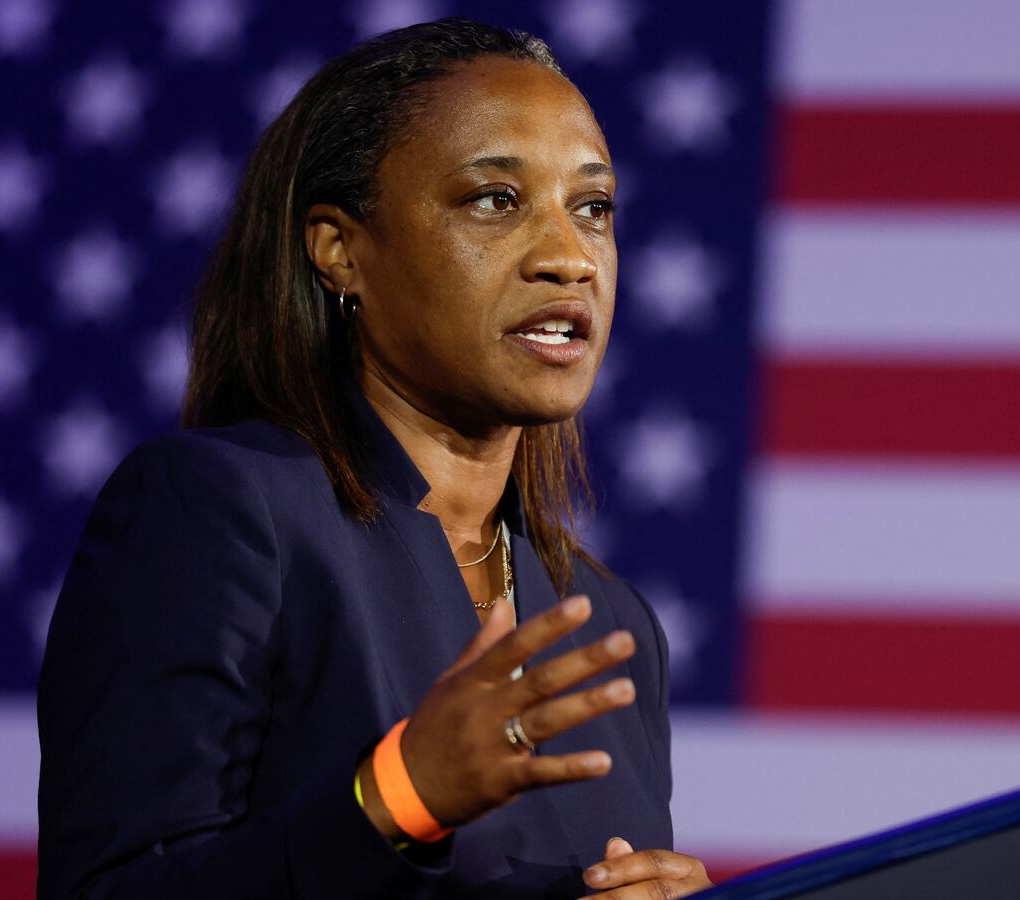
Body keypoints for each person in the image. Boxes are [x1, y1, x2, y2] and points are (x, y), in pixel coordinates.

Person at [37, 17, 713, 899]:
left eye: (593, 208)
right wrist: (398, 796)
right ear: (340, 250)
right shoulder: (218, 514)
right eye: (494, 200)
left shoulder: (609, 621)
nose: (567, 257)